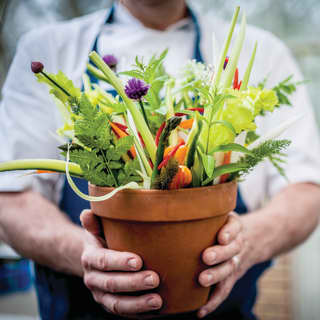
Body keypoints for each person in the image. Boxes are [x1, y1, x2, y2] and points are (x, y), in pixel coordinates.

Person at [0, 0, 320, 319]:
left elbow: (307, 191)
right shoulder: (48, 49)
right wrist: (85, 254)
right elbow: (10, 199)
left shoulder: (261, 50)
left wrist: (246, 242)